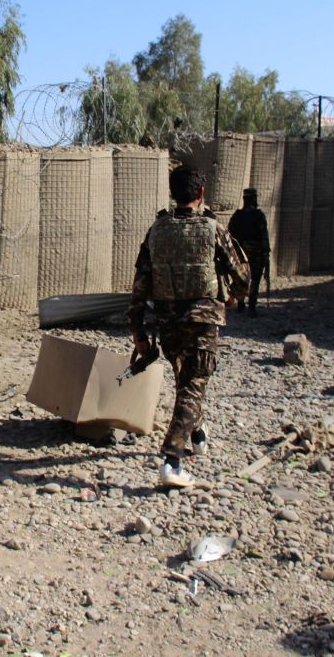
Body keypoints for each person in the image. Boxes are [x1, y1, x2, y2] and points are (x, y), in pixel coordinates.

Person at [127, 165, 247, 488]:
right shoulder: (213, 230)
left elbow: (139, 287)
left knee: (188, 381)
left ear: (174, 193)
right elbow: (243, 277)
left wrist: (139, 333)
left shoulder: (156, 231)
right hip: (203, 321)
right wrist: (234, 296)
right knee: (194, 384)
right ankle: (172, 460)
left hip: (168, 325)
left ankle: (197, 434)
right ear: (201, 193)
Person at [227, 187, 270, 317]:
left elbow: (230, 233)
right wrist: (266, 252)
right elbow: (264, 235)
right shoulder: (258, 215)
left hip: (240, 252)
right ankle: (251, 306)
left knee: (241, 277)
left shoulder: (237, 215)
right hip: (255, 252)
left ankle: (241, 303)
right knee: (255, 278)